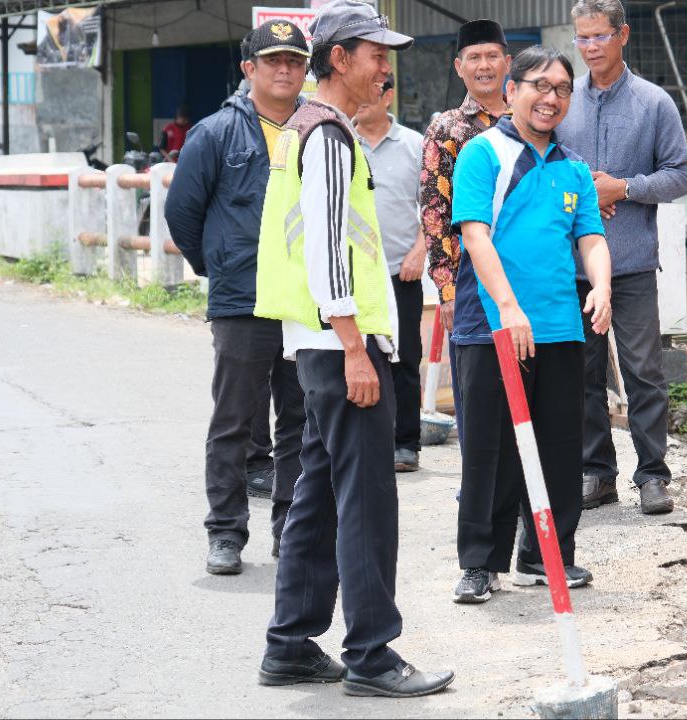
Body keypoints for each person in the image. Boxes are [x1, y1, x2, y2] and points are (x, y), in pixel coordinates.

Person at [253, 0, 453, 698]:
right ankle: (372, 652)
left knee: (317, 495)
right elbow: (327, 250)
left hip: (318, 345)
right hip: (342, 344)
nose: (383, 66)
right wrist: (356, 348)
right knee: (366, 499)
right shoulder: (332, 138)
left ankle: (290, 643)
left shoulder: (301, 128)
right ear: (339, 59)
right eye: (374, 54)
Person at [448, 45, 612, 604]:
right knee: (491, 450)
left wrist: (603, 286)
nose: (551, 98)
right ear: (512, 89)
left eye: (563, 89)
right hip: (492, 326)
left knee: (560, 447)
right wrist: (510, 308)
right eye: (540, 86)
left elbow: (589, 238)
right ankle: (479, 562)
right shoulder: (483, 153)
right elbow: (474, 234)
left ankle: (547, 555)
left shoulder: (573, 170)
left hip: (561, 329)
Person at [166, 18, 311, 575]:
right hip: (242, 300)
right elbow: (183, 212)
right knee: (234, 418)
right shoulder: (214, 133)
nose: (283, 69)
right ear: (249, 69)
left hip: (303, 300)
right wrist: (218, 265)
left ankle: (290, 530)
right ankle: (225, 532)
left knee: (300, 418)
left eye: (294, 61)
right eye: (272, 61)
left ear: (306, 71)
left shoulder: (318, 128)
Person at [555, 0, 687, 516]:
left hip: (631, 261)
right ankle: (598, 473)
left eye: (599, 37)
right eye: (582, 38)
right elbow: (549, 166)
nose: (590, 48)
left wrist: (625, 188)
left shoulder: (654, 103)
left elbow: (681, 174)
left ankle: (654, 475)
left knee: (642, 371)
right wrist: (586, 200)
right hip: (572, 265)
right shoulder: (564, 101)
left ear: (623, 35)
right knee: (581, 373)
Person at [420, 18, 512, 447]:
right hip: (469, 284)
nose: (484, 65)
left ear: (507, 62)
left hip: (525, 272)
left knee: (529, 386)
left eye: (492, 56)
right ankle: (480, 494)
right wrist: (446, 290)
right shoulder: (446, 129)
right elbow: (434, 213)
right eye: (474, 57)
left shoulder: (529, 119)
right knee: (477, 391)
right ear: (459, 66)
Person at [354, 73, 426, 473]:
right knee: (357, 357)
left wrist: (420, 252)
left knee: (404, 360)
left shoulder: (415, 145)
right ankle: (366, 439)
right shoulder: (340, 142)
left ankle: (405, 444)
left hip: (402, 273)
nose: (362, 99)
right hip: (354, 275)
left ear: (389, 96)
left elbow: (434, 210)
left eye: (372, 91)